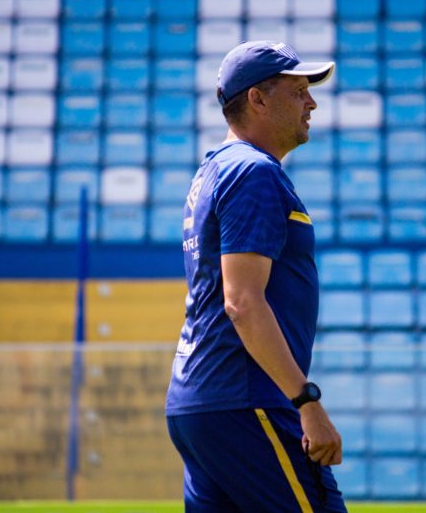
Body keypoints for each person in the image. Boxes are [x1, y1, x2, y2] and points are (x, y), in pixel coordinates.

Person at [165, 40, 347, 513]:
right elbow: (242, 302)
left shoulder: (215, 171)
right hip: (248, 401)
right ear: (257, 99)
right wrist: (306, 401)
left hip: (205, 404)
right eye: (298, 91)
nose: (311, 102)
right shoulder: (252, 173)